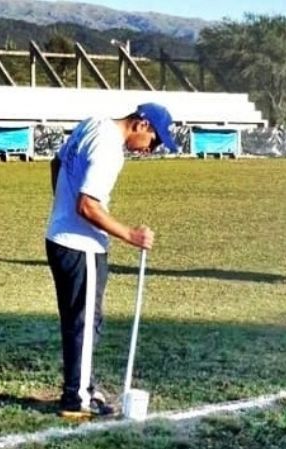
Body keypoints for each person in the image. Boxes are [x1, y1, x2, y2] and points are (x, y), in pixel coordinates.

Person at [45, 103, 176, 420]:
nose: (150, 150)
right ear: (141, 125)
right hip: (82, 245)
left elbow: (57, 162)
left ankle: (82, 387)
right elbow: (87, 206)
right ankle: (77, 398)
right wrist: (131, 235)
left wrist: (62, 206)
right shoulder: (110, 149)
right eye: (154, 141)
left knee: (79, 320)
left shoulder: (93, 123)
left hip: (59, 238)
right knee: (85, 323)